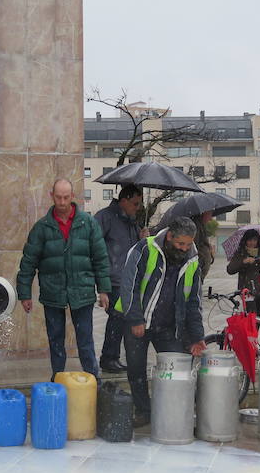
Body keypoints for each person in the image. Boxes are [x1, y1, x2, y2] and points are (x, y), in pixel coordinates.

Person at [117, 217, 207, 427]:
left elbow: (194, 301)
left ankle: (173, 411)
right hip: (138, 321)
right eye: (180, 244)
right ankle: (144, 411)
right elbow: (129, 286)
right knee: (136, 369)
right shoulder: (145, 249)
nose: (184, 248)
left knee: (176, 367)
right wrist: (136, 319)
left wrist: (196, 336)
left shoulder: (192, 260)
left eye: (187, 244)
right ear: (169, 237)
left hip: (168, 326)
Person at [17, 178, 111, 380]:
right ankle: (58, 378)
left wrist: (103, 290)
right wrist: (24, 294)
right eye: (58, 197)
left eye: (66, 197)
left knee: (85, 339)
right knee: (55, 339)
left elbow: (101, 258)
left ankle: (93, 379)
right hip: (53, 291)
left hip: (83, 290)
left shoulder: (88, 223)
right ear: (52, 196)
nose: (61, 202)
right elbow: (28, 263)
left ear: (73, 196)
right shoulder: (41, 228)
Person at [94, 184, 146, 373]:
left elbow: (134, 250)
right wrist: (102, 285)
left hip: (128, 279)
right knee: (117, 318)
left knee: (123, 318)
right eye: (135, 203)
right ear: (123, 200)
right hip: (113, 278)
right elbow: (95, 246)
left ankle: (112, 356)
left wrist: (142, 239)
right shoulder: (105, 217)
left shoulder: (132, 221)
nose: (137, 207)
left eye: (139, 204)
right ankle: (108, 358)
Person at [226, 228, 260, 316]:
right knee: (250, 315)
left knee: (258, 316)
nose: (252, 243)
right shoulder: (240, 253)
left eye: (254, 240)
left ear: (258, 241)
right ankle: (251, 330)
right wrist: (244, 262)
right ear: (245, 241)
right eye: (249, 240)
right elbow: (230, 269)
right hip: (247, 290)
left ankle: (255, 330)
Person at [192, 210, 216, 281]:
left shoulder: (200, 226)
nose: (211, 219)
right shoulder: (195, 227)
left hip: (200, 271)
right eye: (210, 215)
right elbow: (194, 248)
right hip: (197, 271)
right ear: (204, 213)